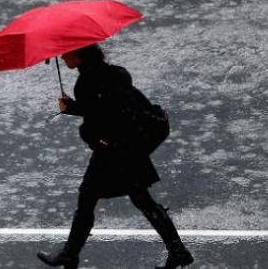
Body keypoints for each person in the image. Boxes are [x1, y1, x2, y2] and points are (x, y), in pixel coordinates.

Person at [36, 44, 194, 269]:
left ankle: (70, 255)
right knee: (140, 198)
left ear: (80, 54)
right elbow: (105, 107)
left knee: (89, 197)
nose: (62, 56)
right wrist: (74, 107)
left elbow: (98, 119)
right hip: (129, 146)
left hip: (113, 152)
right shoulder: (111, 74)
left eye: (67, 52)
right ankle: (178, 250)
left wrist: (77, 116)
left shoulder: (86, 82)